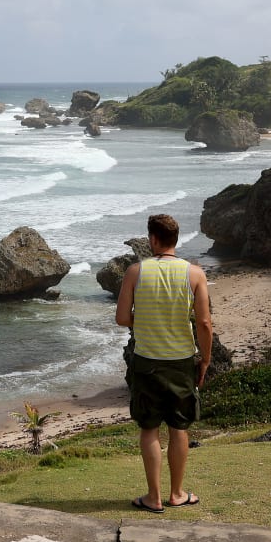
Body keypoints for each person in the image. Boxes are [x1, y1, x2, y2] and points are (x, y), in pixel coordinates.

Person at [116, 213, 212, 514]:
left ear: (153, 240)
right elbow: (205, 323)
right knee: (179, 427)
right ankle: (177, 493)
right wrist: (205, 359)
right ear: (176, 239)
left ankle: (154, 497)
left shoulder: (135, 271)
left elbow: (121, 318)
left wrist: (145, 321)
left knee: (149, 428)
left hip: (146, 361)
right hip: (181, 360)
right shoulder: (195, 273)